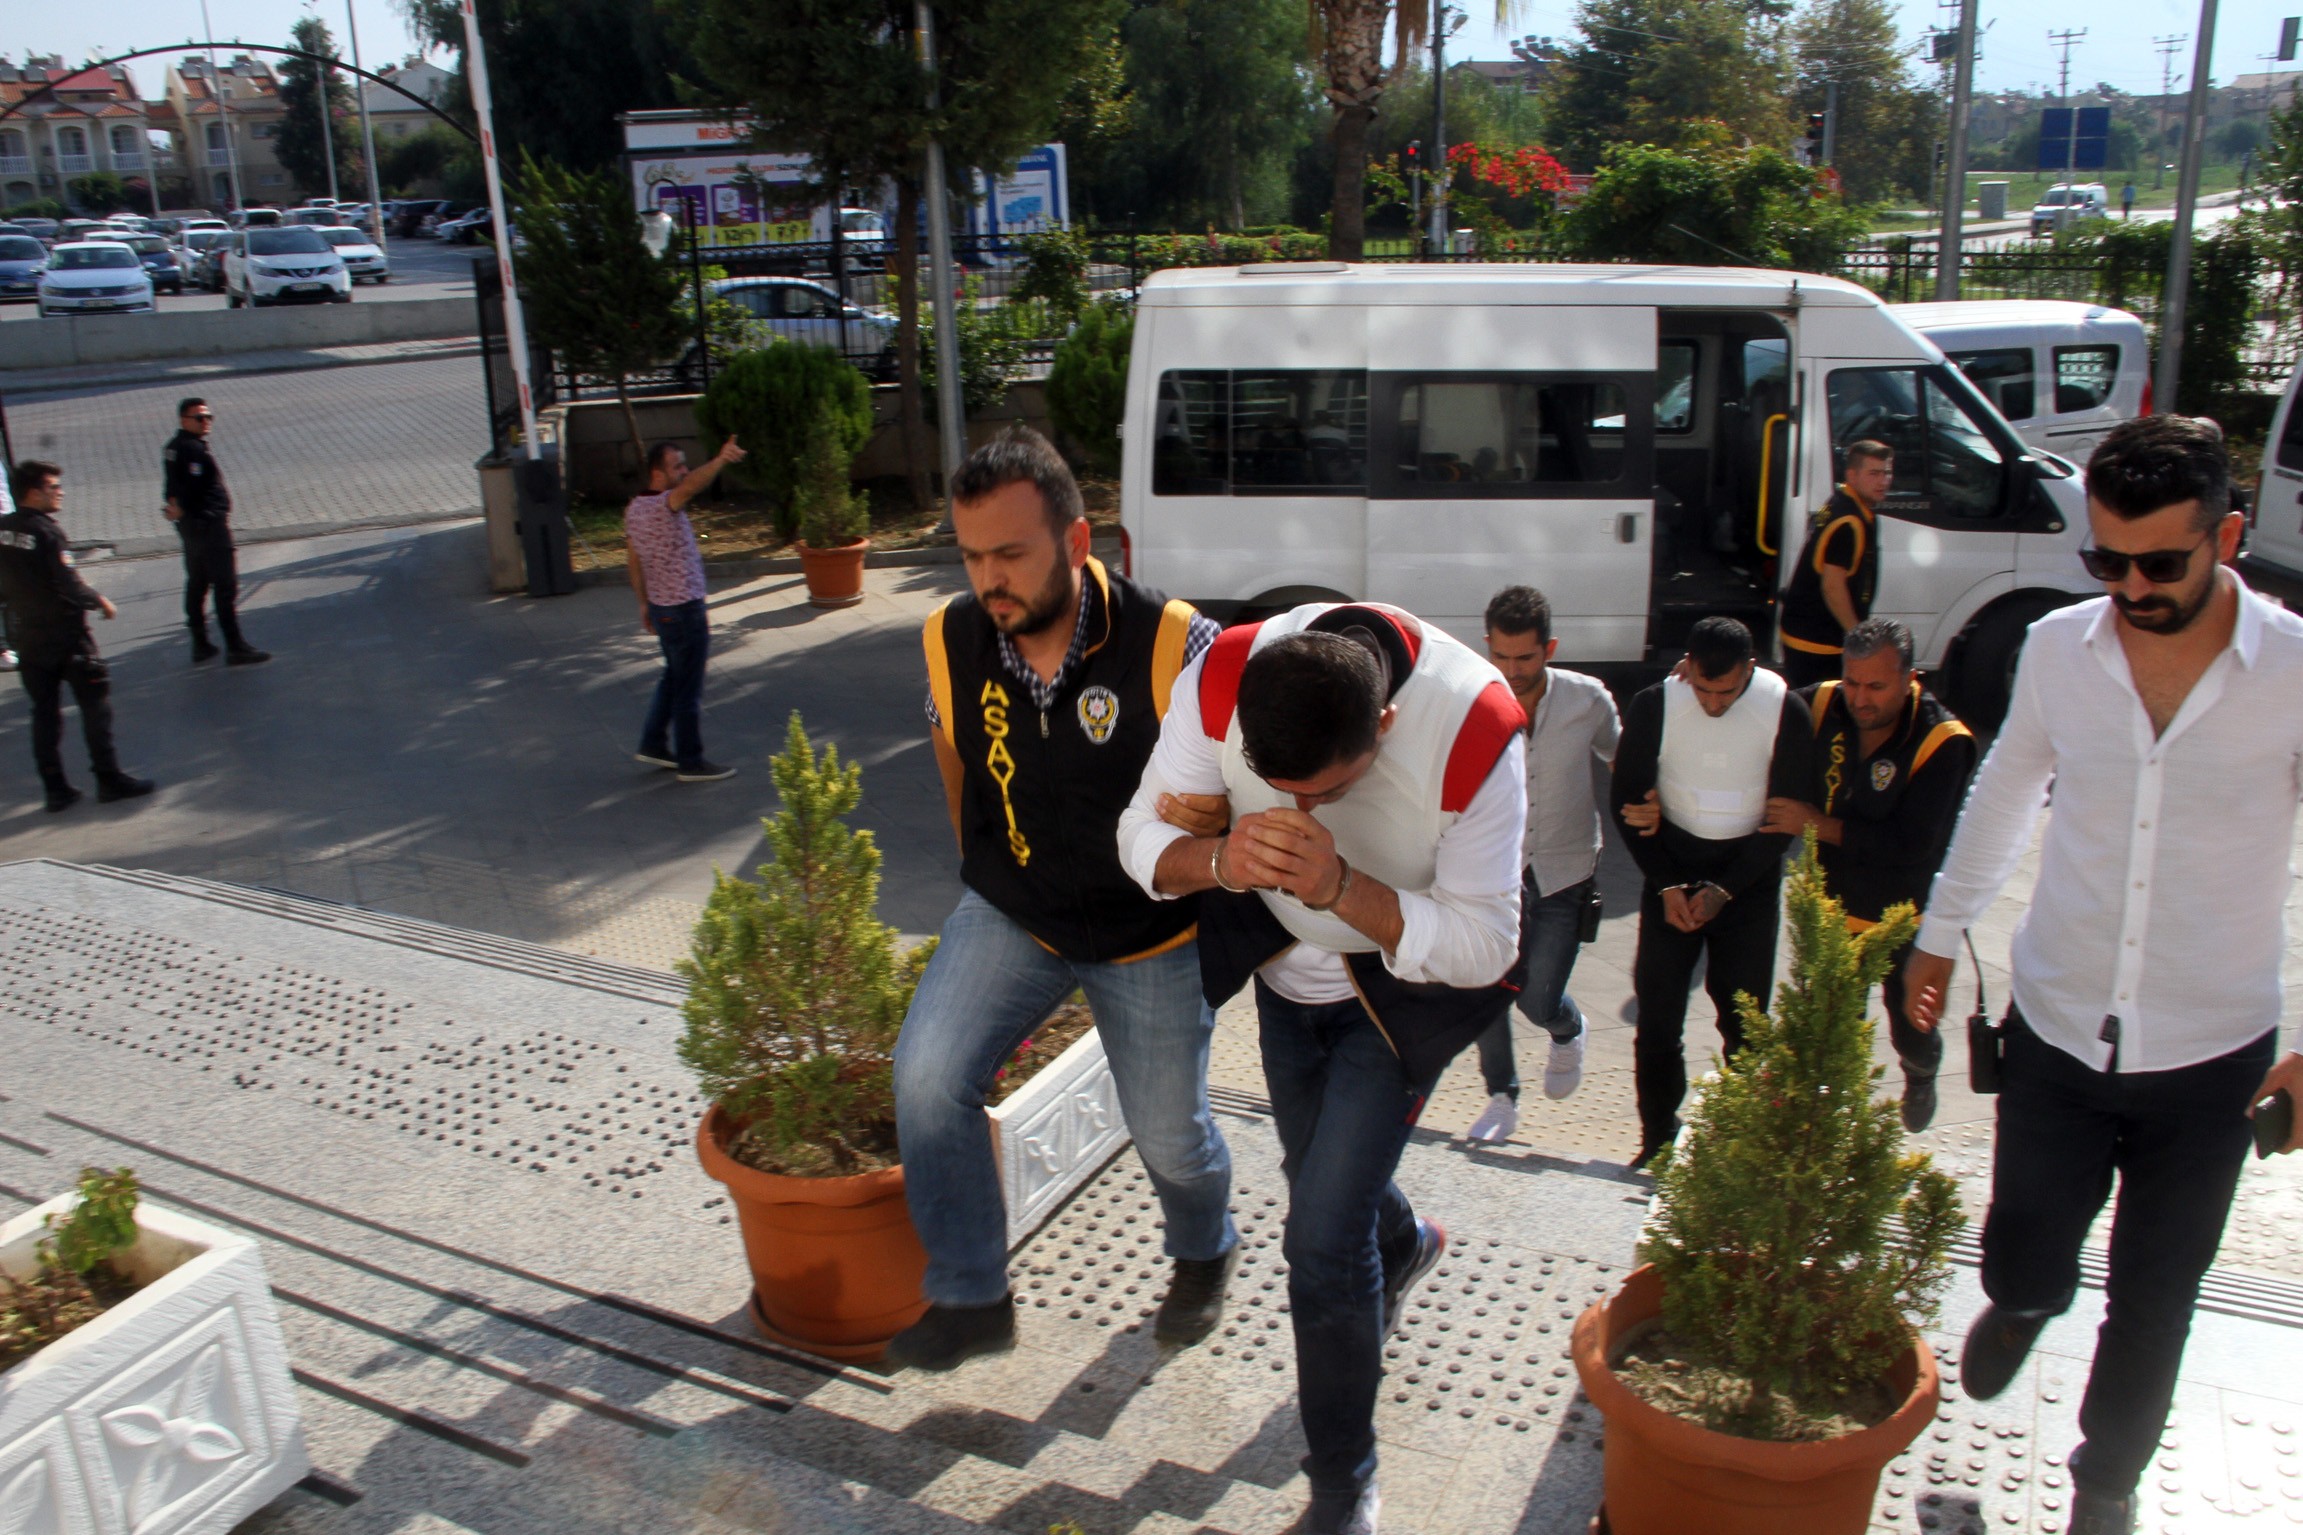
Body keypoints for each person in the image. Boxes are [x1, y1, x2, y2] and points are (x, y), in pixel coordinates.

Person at [1904, 415, 2303, 1535]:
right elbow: (2001, 791)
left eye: (2158, 563)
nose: (2128, 586)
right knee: (2025, 1244)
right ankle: (2026, 1298)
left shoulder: (2292, 670)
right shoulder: (2057, 650)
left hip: (2213, 1052)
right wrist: (1937, 933)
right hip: (2056, 1024)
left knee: (2155, 1296)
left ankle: (2103, 1480)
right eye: (2103, 560)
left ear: (2224, 535)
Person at [1119, 600, 1529, 1535]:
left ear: (1384, 726)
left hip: (1392, 1007)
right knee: (1325, 1190)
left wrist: (1344, 888)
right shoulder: (1224, 671)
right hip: (1280, 980)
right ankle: (1406, 1240)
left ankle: (1343, 1487)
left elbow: (1485, 946)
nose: (1297, 813)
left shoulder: (1477, 723)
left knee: (1317, 1241)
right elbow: (1137, 840)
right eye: (1275, 786)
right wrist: (1221, 858)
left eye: (1325, 793)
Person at [887, 427, 1238, 1371]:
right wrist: (982, 868)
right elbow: (952, 749)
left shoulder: (1176, 641)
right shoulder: (949, 637)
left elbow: (1239, 788)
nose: (988, 579)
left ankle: (1204, 1249)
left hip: (1152, 934)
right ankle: (971, 1295)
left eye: (1010, 553)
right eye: (970, 556)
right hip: (1018, 911)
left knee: (1171, 1138)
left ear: (1077, 543)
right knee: (924, 1080)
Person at [1759, 618, 1974, 1132]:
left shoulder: (1944, 740)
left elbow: (1911, 845)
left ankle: (1921, 1070)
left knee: (1909, 1028)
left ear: (1910, 678)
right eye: (1852, 682)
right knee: (1830, 1033)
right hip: (1833, 907)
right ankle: (1830, 1123)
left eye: (1877, 686)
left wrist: (1820, 826)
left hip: (1904, 913)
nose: (1860, 698)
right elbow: (1753, 699)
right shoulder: (1822, 701)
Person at [1613, 616, 1811, 1168]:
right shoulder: (1657, 704)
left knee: (1744, 1022)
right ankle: (1656, 1140)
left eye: (1726, 692)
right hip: (1671, 870)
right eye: (1702, 689)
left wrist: (1726, 889)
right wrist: (1667, 883)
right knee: (1656, 1020)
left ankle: (1745, 1148)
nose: (1713, 704)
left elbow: (1786, 821)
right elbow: (1625, 802)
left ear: (1752, 669)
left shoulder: (1783, 709)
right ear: (1687, 668)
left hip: (1746, 879)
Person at [1464, 584, 1619, 1142]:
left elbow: (1620, 754)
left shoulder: (1587, 700)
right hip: (1495, 868)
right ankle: (1502, 1096)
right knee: (1485, 985)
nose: (1513, 669)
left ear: (1549, 647)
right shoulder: (1472, 701)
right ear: (1487, 647)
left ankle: (1567, 1027)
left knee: (1537, 997)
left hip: (1565, 869)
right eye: (1501, 656)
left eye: (1525, 657)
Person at [0, 461, 155, 813]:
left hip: (26, 635)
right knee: (95, 706)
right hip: (66, 635)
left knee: (44, 713)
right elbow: (67, 581)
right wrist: (99, 600)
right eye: (54, 487)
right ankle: (108, 779)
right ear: (34, 492)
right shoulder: (47, 532)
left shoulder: (2, 530)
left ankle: (55, 789)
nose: (61, 492)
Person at [626, 438, 745, 783]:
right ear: (657, 473)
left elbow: (633, 561)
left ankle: (652, 742)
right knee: (687, 689)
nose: (684, 471)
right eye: (677, 466)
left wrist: (643, 603)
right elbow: (693, 485)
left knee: (672, 679)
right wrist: (721, 458)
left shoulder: (634, 508)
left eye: (684, 464)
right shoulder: (667, 503)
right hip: (684, 610)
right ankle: (691, 761)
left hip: (663, 610)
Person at [1777, 440, 1893, 689]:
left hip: (1806, 633)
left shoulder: (1842, 503)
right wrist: (1857, 635)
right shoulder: (1849, 522)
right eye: (1874, 474)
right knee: (1820, 715)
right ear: (1851, 475)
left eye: (1887, 472)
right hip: (1818, 642)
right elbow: (1832, 587)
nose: (1883, 481)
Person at [162, 398, 269, 665]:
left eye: (209, 416)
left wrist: (177, 508)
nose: (206, 421)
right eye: (199, 417)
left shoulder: (173, 448)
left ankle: (200, 644)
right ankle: (235, 647)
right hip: (208, 528)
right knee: (225, 586)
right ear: (183, 420)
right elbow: (194, 490)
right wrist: (204, 513)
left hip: (190, 529)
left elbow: (173, 488)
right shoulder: (193, 451)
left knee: (197, 583)